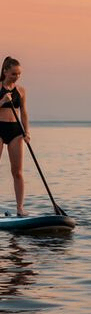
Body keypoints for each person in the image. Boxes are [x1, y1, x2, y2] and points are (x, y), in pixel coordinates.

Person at [0, 56, 30, 217]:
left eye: (18, 74)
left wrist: (27, 132)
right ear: (5, 71)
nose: (16, 77)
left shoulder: (21, 91)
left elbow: (24, 113)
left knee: (17, 172)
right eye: (13, 74)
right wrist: (2, 100)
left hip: (15, 131)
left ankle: (20, 208)